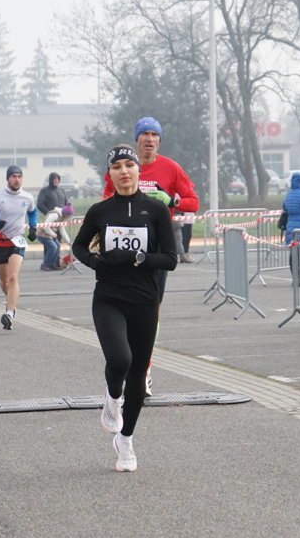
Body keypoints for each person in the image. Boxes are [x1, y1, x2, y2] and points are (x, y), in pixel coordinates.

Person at [73, 145, 177, 472]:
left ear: (138, 170)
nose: (124, 171)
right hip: (109, 297)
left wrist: (138, 257)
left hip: (145, 300)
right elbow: (78, 245)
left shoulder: (156, 211)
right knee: (120, 359)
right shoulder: (100, 211)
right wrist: (95, 261)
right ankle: (111, 395)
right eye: (116, 166)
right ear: (111, 174)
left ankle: (126, 442)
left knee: (138, 376)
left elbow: (171, 260)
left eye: (129, 164)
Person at [103, 117, 199, 395]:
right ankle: (122, 365)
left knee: (150, 312)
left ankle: (143, 370)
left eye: (154, 134)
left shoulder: (171, 168)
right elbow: (106, 198)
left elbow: (193, 202)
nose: (149, 139)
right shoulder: (123, 165)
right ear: (136, 139)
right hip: (122, 247)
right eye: (144, 133)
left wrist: (172, 201)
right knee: (121, 308)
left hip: (156, 249)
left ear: (159, 140)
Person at [0, 165, 38, 330]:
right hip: (0, 242)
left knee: (13, 277)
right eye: (13, 176)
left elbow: (33, 212)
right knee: (4, 281)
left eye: (19, 176)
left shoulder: (27, 197)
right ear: (8, 178)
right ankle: (12, 302)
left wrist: (33, 227)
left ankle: (9, 313)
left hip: (17, 241)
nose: (17, 179)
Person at [37, 202, 74, 271]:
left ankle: (52, 264)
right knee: (53, 247)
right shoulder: (54, 215)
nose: (69, 217)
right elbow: (45, 226)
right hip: (42, 234)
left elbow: (62, 230)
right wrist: (52, 234)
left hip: (50, 235)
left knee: (57, 246)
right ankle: (44, 264)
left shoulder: (62, 218)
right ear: (66, 214)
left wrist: (69, 242)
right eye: (69, 216)